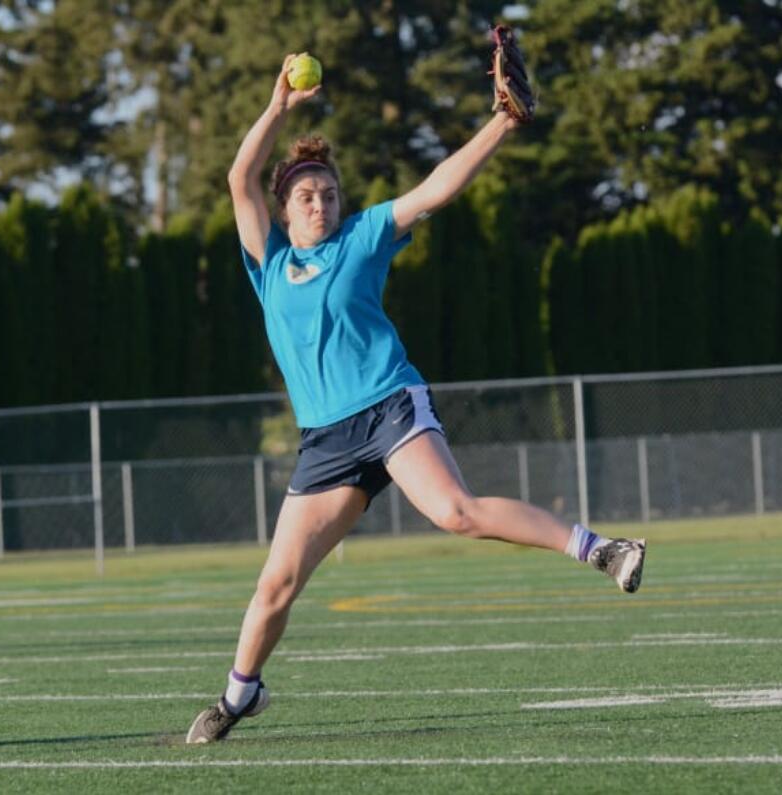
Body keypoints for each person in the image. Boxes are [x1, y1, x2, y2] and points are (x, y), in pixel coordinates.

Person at [186, 53, 646, 744]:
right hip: (325, 440)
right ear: (284, 209)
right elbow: (237, 176)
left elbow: (435, 189)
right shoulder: (270, 264)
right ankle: (237, 696)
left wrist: (501, 122)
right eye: (307, 194)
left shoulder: (362, 239)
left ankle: (604, 549)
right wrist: (277, 106)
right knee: (275, 585)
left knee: (455, 512)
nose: (320, 202)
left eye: (329, 193)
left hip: (388, 405)